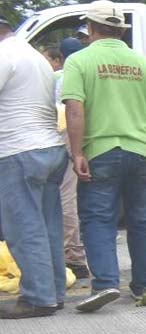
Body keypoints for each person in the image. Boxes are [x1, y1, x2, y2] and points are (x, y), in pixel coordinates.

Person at [62, 1, 146, 312]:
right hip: (141, 152)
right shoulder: (144, 64)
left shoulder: (79, 61)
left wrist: (78, 151)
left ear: (91, 28)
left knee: (98, 220)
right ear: (121, 31)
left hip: (101, 152)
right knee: (143, 222)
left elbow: (74, 109)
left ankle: (106, 284)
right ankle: (144, 285)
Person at [0, 15, 68, 319]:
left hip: (19, 151)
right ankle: (54, 292)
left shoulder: (4, 55)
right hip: (50, 149)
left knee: (24, 228)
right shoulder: (33, 55)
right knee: (48, 226)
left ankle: (38, 298)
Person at [43, 37, 89, 280]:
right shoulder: (82, 71)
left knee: (65, 196)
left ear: (59, 58)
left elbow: (70, 111)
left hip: (65, 137)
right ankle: (73, 252)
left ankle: (73, 255)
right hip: (76, 137)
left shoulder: (61, 77)